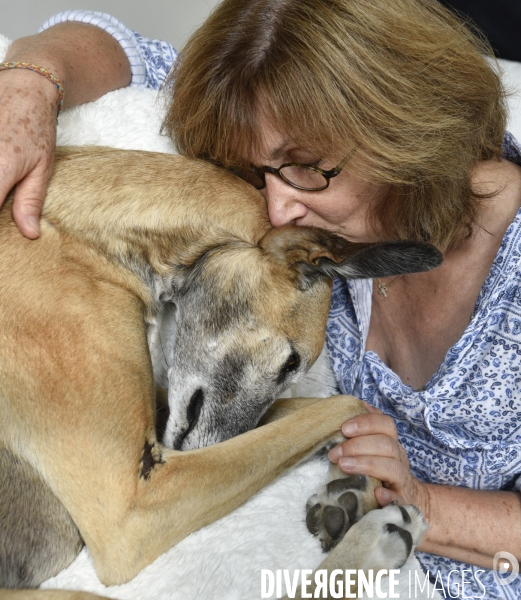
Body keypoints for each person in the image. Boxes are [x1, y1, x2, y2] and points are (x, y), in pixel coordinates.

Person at [1, 1, 520, 597]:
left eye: (303, 169)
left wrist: (421, 500)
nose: (276, 211)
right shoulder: (290, 181)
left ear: (399, 128)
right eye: (258, 173)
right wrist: (27, 85)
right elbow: (116, 45)